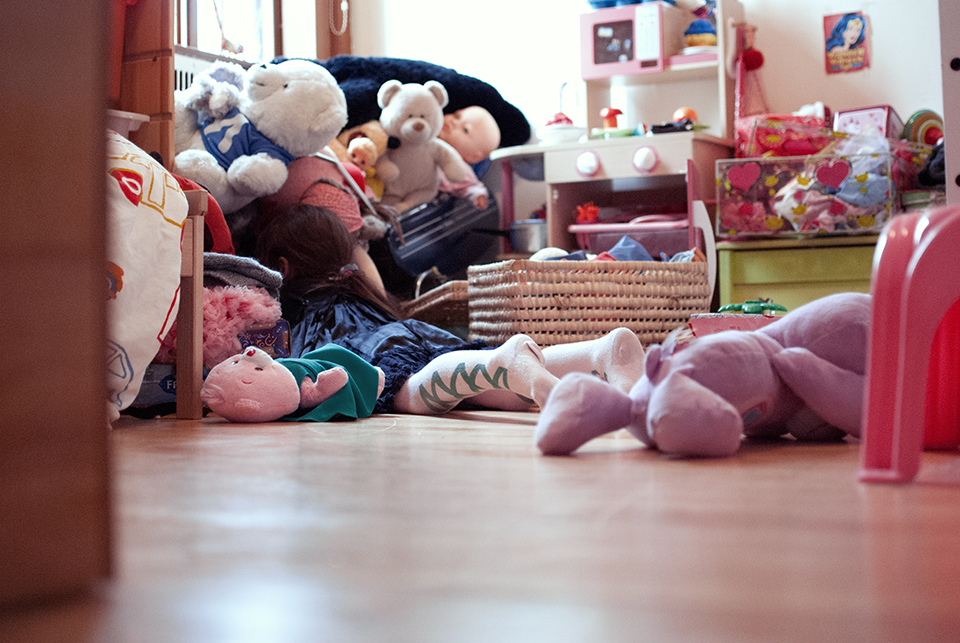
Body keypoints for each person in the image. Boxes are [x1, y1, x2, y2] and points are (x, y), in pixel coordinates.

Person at [255, 204, 646, 415]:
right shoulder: (361, 292)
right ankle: (599, 354)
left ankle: (503, 362)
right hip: (408, 334)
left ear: (283, 268)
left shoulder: (309, 310)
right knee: (485, 391)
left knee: (410, 391)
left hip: (369, 350)